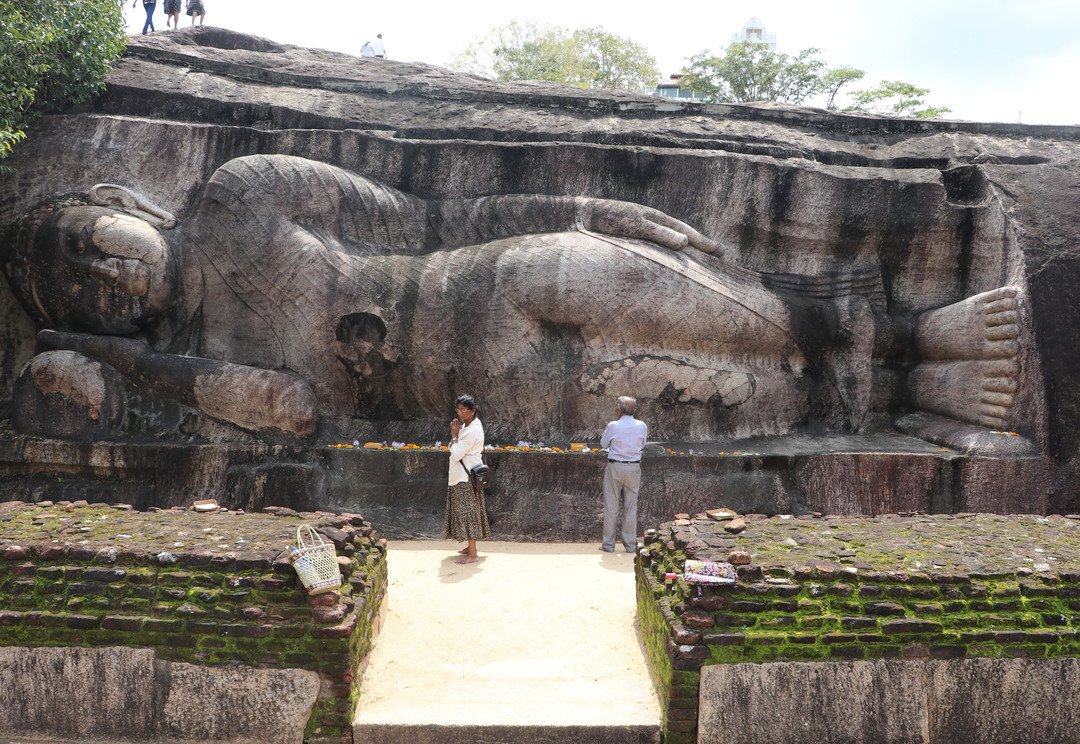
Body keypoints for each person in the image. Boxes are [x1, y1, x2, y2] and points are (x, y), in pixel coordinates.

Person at [6, 155, 1022, 445]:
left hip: (493, 272)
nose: (109, 278)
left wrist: (590, 203)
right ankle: (911, 399)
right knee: (718, 391)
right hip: (483, 389)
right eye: (83, 294)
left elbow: (425, 215)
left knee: (726, 309)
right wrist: (135, 364)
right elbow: (292, 410)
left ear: (116, 203)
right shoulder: (191, 354)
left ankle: (912, 333)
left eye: (93, 247)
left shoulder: (239, 192)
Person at [599, 396, 648, 553]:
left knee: (611, 506)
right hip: (633, 467)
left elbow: (603, 444)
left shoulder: (613, 425)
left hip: (615, 467)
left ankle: (608, 545)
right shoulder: (642, 425)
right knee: (631, 507)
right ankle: (629, 545)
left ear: (619, 410)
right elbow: (643, 444)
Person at [445, 394, 489, 564]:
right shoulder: (467, 426)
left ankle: (473, 553)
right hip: (461, 477)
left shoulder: (473, 430)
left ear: (473, 411)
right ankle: (469, 548)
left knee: (468, 514)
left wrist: (455, 436)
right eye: (458, 409)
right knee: (465, 513)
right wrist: (455, 438)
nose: (460, 413)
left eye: (463, 410)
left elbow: (455, 453)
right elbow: (452, 447)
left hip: (466, 478)